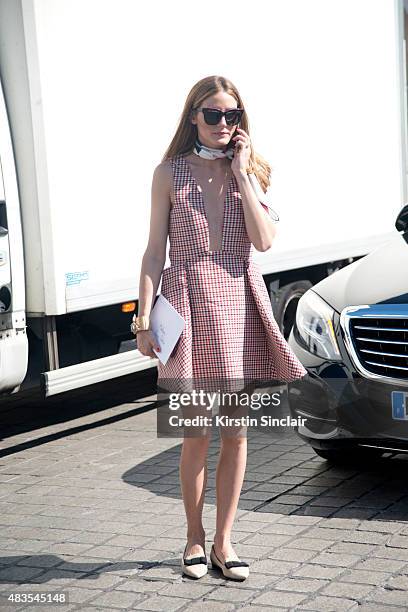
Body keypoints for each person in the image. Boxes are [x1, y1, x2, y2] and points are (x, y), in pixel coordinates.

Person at [135, 75, 307, 581]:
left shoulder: (249, 171)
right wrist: (143, 319)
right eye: (213, 114)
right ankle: (193, 537)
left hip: (237, 305)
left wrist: (242, 173)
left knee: (235, 433)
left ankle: (225, 542)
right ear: (193, 116)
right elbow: (152, 252)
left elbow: (264, 240)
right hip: (188, 306)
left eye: (232, 116)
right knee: (194, 433)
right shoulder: (168, 173)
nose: (223, 123)